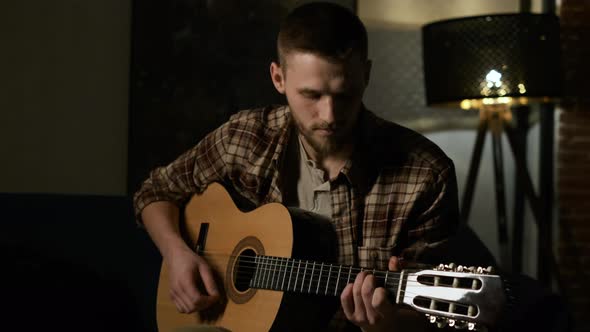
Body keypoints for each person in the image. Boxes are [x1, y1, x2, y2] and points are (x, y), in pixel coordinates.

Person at [133, 2, 459, 331]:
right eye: (311, 95)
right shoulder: (245, 137)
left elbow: (428, 319)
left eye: (344, 95)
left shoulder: (425, 175)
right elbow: (155, 192)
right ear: (278, 78)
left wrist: (388, 324)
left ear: (367, 74)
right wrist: (176, 253)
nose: (329, 115)